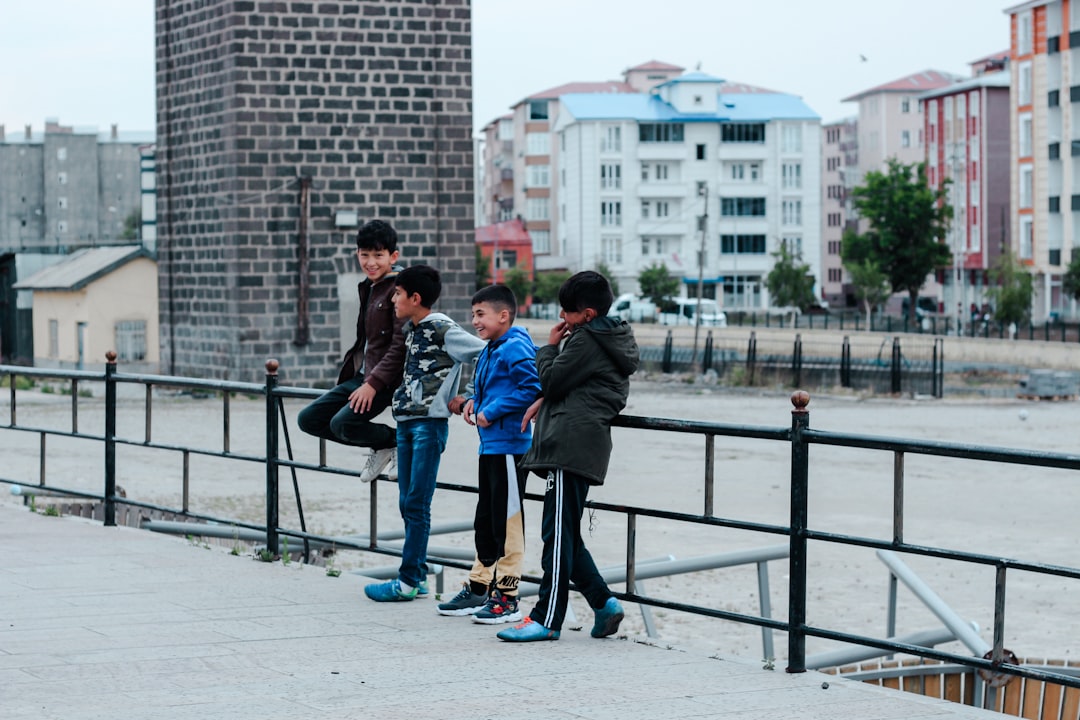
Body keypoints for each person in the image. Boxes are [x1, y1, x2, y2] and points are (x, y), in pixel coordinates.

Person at [496, 271, 640, 642]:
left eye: (568, 312)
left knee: (557, 536)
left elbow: (551, 380)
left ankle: (547, 618)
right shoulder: (604, 338)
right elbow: (571, 385)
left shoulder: (587, 339)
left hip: (570, 444)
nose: (563, 318)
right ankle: (603, 602)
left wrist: (547, 348)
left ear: (588, 314)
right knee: (563, 533)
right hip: (578, 442)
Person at [364, 265, 487, 602]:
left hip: (428, 425)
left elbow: (485, 351)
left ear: (415, 298)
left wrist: (470, 394)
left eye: (398, 294)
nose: (393, 300)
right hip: (406, 421)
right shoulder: (412, 329)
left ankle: (406, 582)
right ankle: (416, 577)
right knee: (407, 501)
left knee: (417, 503)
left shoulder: (442, 327)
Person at [436, 285, 541, 623]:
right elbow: (492, 390)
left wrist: (492, 411)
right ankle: (480, 586)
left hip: (511, 447)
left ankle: (508, 597)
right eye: (473, 314)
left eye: (480, 314)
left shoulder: (514, 347)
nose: (474, 321)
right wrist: (473, 405)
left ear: (503, 315)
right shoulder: (492, 349)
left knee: (509, 523)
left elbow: (532, 388)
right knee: (487, 519)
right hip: (491, 446)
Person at [296, 219, 405, 483]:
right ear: (357, 254)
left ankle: (397, 442)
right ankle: (384, 445)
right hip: (362, 375)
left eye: (378, 255)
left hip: (385, 381)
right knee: (308, 419)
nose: (371, 262)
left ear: (393, 256)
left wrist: (373, 384)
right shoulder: (369, 287)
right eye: (364, 255)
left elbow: (400, 345)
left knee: (342, 423)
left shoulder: (399, 288)